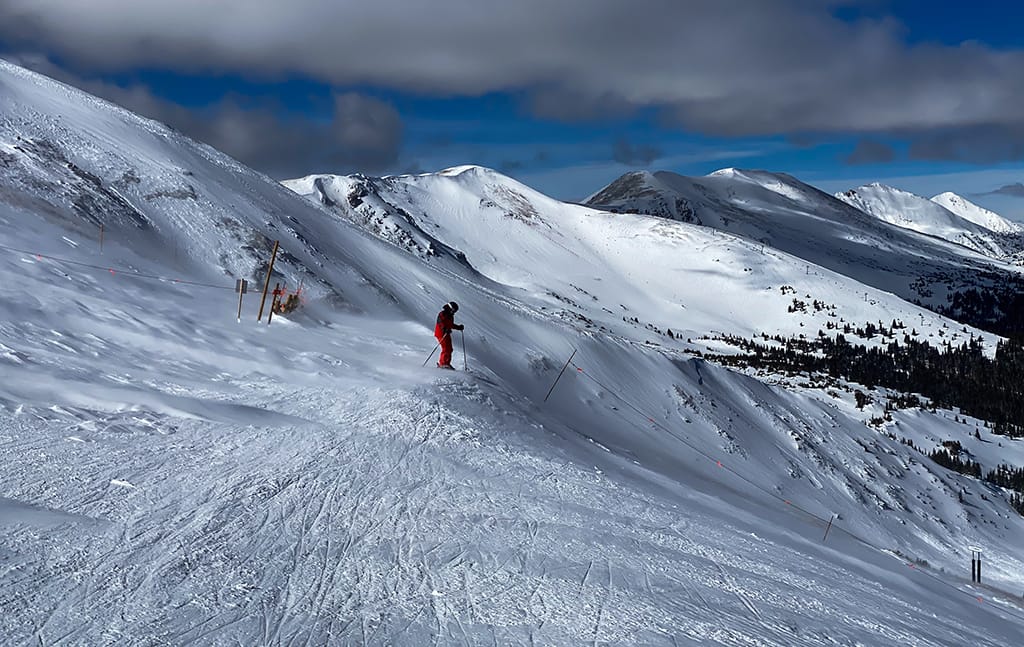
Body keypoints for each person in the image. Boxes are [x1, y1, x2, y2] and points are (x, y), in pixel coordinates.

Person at [434, 301, 464, 369]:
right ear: (450, 308)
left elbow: (450, 325)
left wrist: (458, 327)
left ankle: (446, 363)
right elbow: (440, 322)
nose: (454, 312)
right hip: (441, 334)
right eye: (453, 310)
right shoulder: (442, 314)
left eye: (455, 311)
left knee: (449, 349)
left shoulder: (450, 316)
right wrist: (444, 329)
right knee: (446, 348)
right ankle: (443, 363)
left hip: (446, 333)